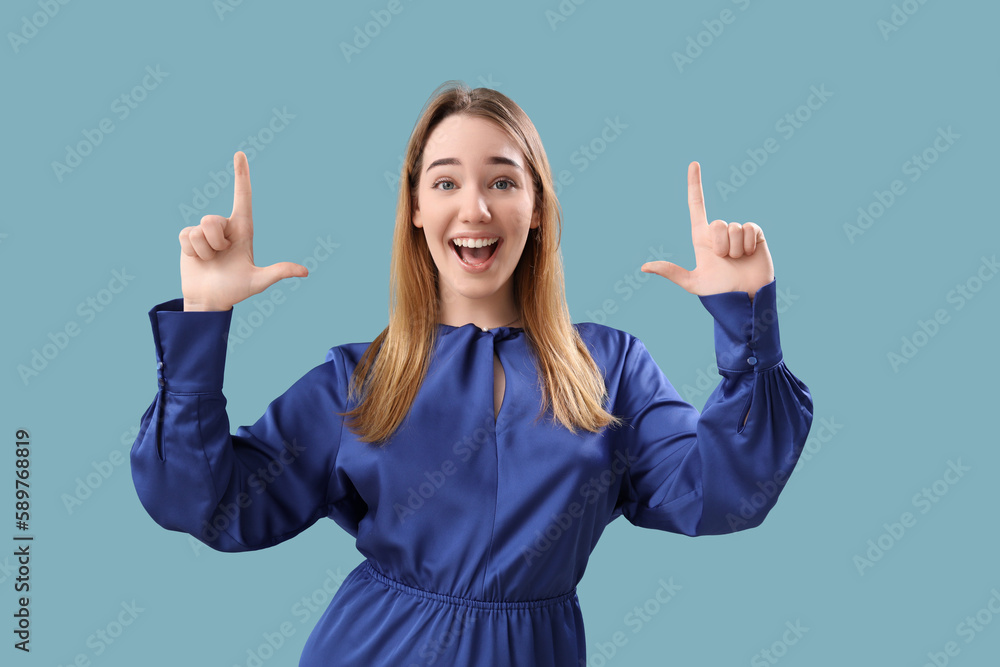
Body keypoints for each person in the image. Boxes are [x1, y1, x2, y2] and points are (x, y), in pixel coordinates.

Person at [130, 81, 814, 666]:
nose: (476, 208)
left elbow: (729, 493)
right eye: (447, 180)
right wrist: (204, 317)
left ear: (538, 206)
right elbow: (205, 504)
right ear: (418, 207)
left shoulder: (611, 370)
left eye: (503, 180)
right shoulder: (359, 378)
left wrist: (746, 318)